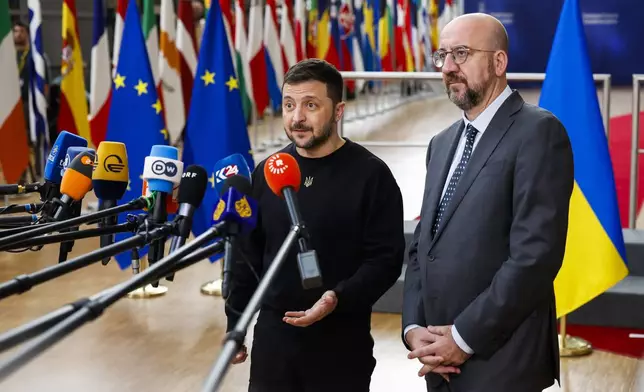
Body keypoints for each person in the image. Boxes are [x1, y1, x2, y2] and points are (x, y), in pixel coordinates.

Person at [401, 13, 574, 392]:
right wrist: (414, 328)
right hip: (436, 359)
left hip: (502, 360)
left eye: (461, 53)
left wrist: (462, 338)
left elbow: (534, 257)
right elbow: (421, 248)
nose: (448, 67)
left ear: (499, 62)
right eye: (442, 55)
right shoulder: (442, 142)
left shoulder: (539, 133)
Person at [225, 58, 406, 392]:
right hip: (274, 345)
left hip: (340, 344)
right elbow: (245, 257)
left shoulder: (371, 175)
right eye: (289, 105)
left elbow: (386, 260)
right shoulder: (266, 172)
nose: (297, 118)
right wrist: (234, 326)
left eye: (311, 105)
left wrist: (336, 298)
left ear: (338, 111)